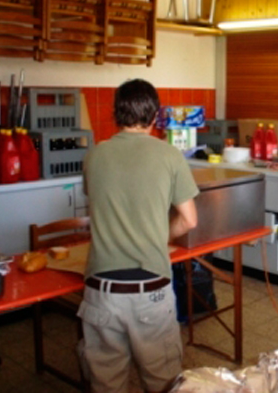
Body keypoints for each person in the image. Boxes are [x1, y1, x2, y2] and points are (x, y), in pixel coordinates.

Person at [78, 79, 199, 393]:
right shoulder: (170, 155)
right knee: (163, 384)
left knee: (106, 385)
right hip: (150, 291)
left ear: (116, 112)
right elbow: (189, 220)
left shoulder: (94, 156)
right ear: (155, 115)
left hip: (101, 292)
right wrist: (158, 235)